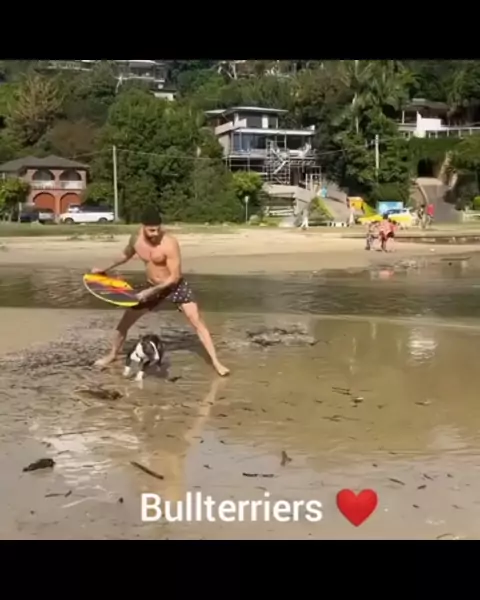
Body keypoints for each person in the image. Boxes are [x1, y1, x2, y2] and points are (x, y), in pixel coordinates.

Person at [91, 207, 229, 377]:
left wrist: (150, 292)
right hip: (152, 286)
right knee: (124, 324)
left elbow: (175, 277)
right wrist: (103, 268)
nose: (155, 233)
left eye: (158, 229)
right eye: (151, 230)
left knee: (197, 322)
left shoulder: (169, 243)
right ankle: (112, 355)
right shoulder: (136, 239)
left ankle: (216, 362)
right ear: (143, 226)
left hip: (174, 286)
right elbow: (125, 255)